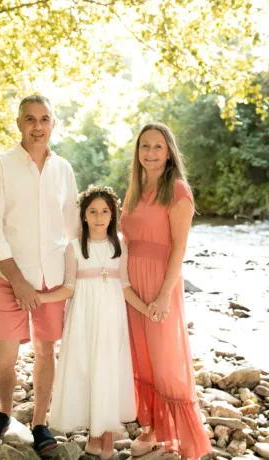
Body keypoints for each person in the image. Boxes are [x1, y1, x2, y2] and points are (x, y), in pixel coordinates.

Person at [0, 95, 79, 454]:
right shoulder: (0, 167)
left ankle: (39, 422)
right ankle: (3, 412)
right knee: (4, 358)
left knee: (45, 351)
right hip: (8, 280)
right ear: (19, 124)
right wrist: (18, 281)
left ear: (54, 124)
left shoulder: (64, 170)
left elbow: (73, 231)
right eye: (30, 119)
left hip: (52, 279)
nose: (38, 126)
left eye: (45, 119)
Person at [37, 185, 150, 460]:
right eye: (93, 211)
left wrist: (148, 309)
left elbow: (125, 286)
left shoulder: (119, 246)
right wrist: (40, 297)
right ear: (84, 216)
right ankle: (94, 437)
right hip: (84, 318)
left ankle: (106, 438)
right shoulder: (74, 248)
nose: (99, 217)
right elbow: (68, 288)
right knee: (87, 367)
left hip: (112, 318)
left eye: (105, 211)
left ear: (112, 216)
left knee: (109, 368)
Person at [120, 122, 212, 458]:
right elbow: (126, 239)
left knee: (166, 358)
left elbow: (179, 248)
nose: (151, 153)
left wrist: (162, 295)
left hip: (160, 281)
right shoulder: (134, 189)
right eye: (145, 146)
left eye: (158, 146)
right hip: (130, 283)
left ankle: (187, 439)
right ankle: (151, 426)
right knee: (141, 354)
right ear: (138, 152)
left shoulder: (177, 190)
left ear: (169, 150)